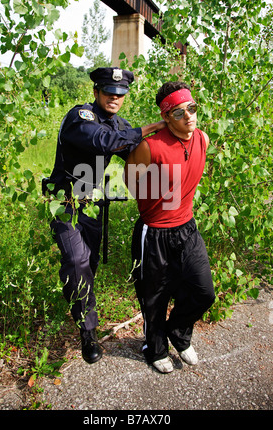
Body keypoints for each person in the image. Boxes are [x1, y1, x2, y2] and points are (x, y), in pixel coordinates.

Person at [43, 67, 166, 364]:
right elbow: (103, 142)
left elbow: (136, 151)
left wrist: (171, 145)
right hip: (65, 203)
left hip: (92, 205)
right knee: (77, 260)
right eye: (109, 92)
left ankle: (81, 301)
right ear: (96, 92)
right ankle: (88, 332)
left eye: (120, 94)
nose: (115, 98)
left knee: (89, 264)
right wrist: (151, 127)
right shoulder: (80, 117)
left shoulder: (118, 124)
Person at [124, 81, 215, 374]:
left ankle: (177, 332)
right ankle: (155, 347)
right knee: (154, 298)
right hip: (155, 233)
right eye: (179, 112)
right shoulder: (149, 147)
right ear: (166, 116)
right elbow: (132, 185)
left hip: (187, 228)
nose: (189, 116)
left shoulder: (203, 139)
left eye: (192, 108)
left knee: (203, 292)